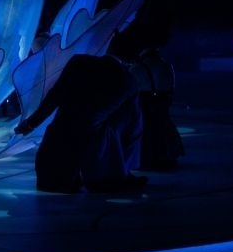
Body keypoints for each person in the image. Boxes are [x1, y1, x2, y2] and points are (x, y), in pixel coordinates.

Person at [16, 52, 147, 194]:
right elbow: (134, 126)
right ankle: (120, 173)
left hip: (52, 159)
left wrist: (31, 123)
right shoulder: (127, 80)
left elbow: (54, 96)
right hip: (93, 164)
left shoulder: (79, 62)